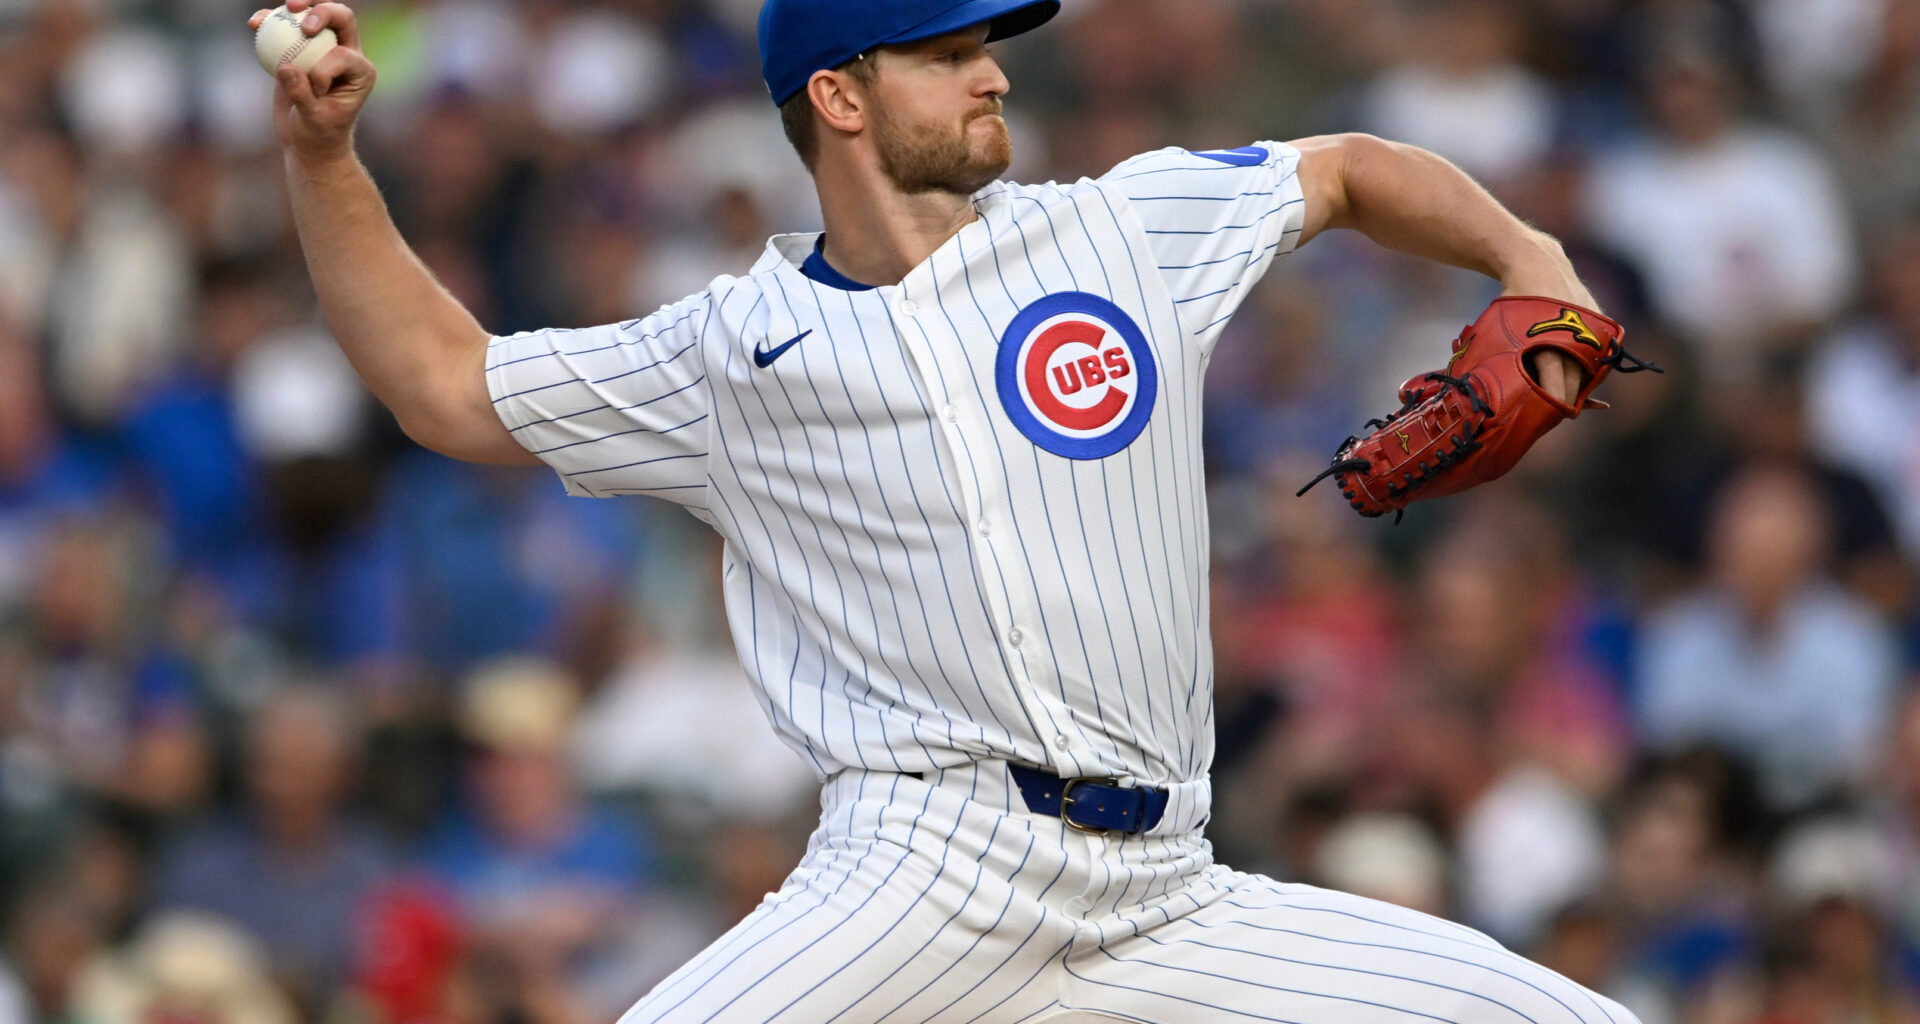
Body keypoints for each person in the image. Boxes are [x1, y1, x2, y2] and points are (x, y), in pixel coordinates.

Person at [248, 0, 1635, 1019]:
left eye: (990, 45)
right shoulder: (733, 354)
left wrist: (1530, 258)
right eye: (948, 51)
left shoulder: (1114, 231)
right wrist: (324, 160)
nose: (991, 72)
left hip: (1170, 888)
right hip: (926, 872)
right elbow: (443, 384)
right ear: (842, 97)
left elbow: (1338, 169)